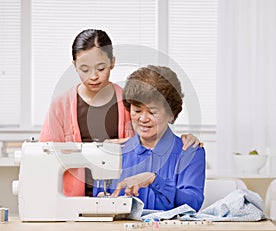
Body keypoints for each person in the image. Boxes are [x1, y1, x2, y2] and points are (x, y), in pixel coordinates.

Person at [39, 29, 202, 197]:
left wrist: (186, 140)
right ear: (74, 66)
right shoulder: (60, 107)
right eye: (85, 69)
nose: (93, 76)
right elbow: (43, 156)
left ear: (112, 62)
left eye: (101, 68)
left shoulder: (129, 102)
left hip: (114, 194)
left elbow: (151, 139)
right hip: (70, 198)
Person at [94, 65, 206, 212]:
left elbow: (193, 203)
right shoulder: (116, 151)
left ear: (171, 114)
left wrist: (154, 179)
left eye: (152, 112)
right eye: (137, 110)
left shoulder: (189, 152)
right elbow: (99, 195)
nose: (143, 119)